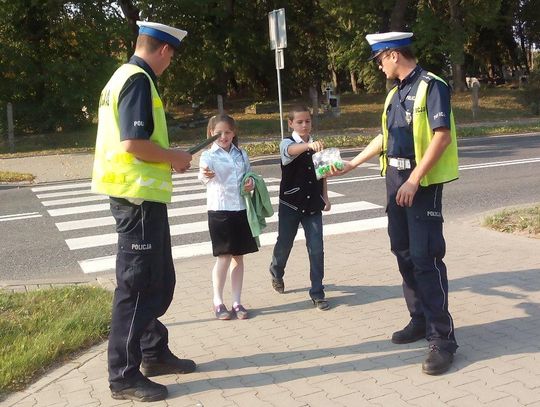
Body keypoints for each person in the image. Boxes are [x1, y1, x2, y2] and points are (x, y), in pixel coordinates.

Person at [332, 32, 459, 375]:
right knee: (403, 254)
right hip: (395, 183)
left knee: (425, 258)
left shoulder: (432, 86)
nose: (378, 67)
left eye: (378, 60)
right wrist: (353, 163)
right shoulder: (394, 94)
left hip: (422, 185)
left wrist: (416, 179)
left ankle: (442, 339)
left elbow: (441, 136)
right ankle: (419, 320)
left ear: (391, 55)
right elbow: (385, 138)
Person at [91, 21, 196, 402]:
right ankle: (123, 376)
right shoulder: (137, 79)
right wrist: (174, 157)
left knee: (157, 280)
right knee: (136, 288)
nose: (170, 63)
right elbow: (134, 143)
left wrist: (167, 160)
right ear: (165, 50)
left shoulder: (121, 76)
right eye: (172, 57)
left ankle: (153, 352)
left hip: (140, 198)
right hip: (136, 200)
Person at [269, 105, 332, 310]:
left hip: (313, 204)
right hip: (290, 203)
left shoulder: (317, 145)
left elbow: (322, 173)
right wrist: (307, 147)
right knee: (284, 243)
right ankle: (276, 271)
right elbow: (290, 152)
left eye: (307, 121)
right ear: (291, 124)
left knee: (317, 249)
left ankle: (317, 292)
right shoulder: (287, 143)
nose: (304, 125)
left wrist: (325, 197)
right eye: (299, 122)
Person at [198, 114, 259, 320]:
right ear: (210, 134)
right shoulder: (208, 156)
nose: (223, 136)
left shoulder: (241, 154)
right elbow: (202, 174)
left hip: (240, 209)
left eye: (227, 132)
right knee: (223, 257)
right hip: (219, 210)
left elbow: (248, 176)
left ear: (234, 133)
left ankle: (237, 301)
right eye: (218, 133)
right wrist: (205, 175)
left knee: (238, 258)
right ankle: (218, 301)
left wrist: (250, 184)